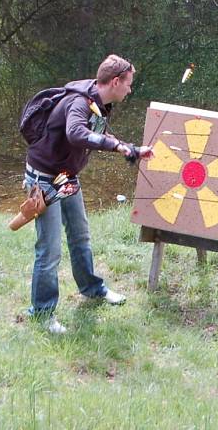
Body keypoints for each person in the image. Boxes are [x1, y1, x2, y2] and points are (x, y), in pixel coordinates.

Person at [23, 54, 152, 334]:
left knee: (80, 235)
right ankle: (42, 313)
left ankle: (92, 289)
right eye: (129, 84)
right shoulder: (80, 103)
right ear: (115, 82)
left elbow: (98, 134)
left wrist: (132, 149)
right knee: (49, 250)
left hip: (66, 177)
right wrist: (116, 146)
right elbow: (76, 134)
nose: (130, 90)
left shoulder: (99, 102)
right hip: (44, 180)